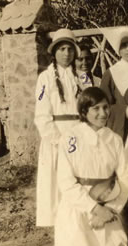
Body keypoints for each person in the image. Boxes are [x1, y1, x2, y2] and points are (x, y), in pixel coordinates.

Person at [54, 87, 128, 246]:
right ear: (84, 111)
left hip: (109, 205)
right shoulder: (70, 138)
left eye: (105, 108)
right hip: (78, 208)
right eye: (96, 109)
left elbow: (125, 178)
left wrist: (110, 209)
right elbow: (66, 182)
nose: (102, 113)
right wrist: (94, 209)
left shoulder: (114, 140)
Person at [34, 28, 82, 227]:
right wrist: (57, 140)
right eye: (62, 49)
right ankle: (59, 222)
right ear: (54, 52)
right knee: (57, 179)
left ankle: (78, 217)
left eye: (70, 49)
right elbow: (42, 114)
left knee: (78, 176)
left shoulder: (81, 78)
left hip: (78, 133)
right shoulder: (45, 78)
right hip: (57, 136)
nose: (66, 53)